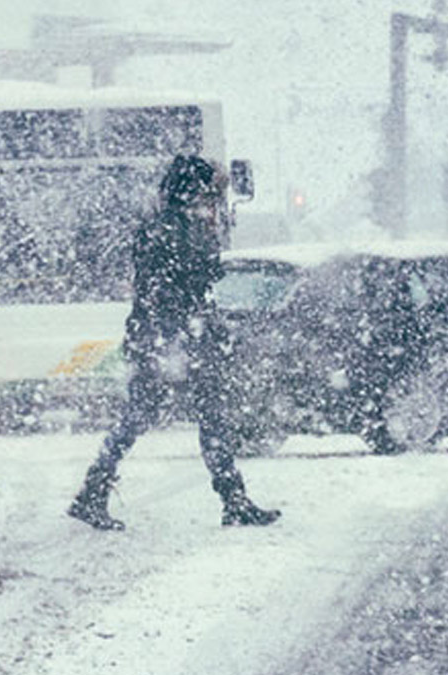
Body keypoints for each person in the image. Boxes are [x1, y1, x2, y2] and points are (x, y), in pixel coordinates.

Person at [68, 154, 281, 531]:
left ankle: (95, 491)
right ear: (192, 190)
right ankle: (232, 501)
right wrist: (181, 334)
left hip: (169, 339)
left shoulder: (171, 225)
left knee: (163, 417)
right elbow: (173, 287)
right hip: (171, 340)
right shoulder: (170, 230)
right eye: (208, 192)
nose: (212, 199)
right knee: (178, 417)